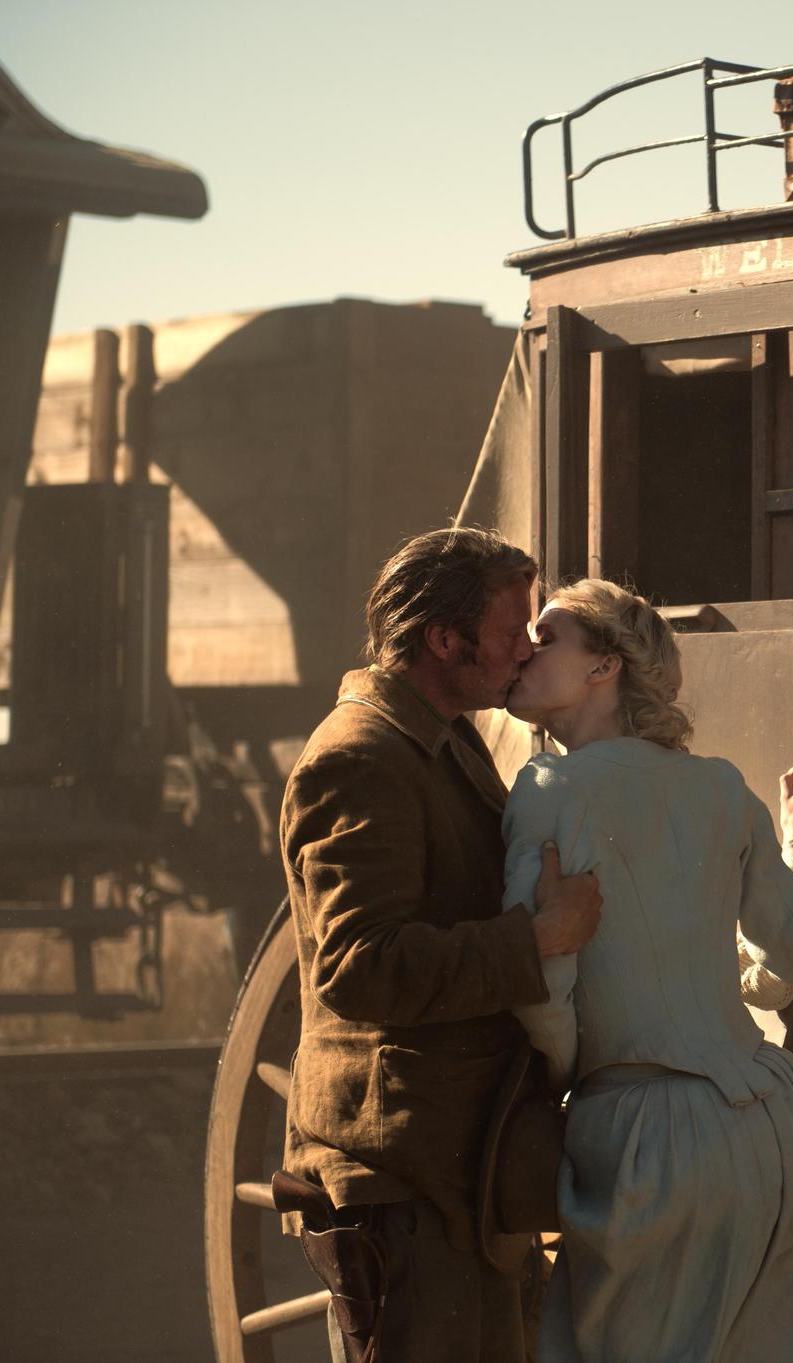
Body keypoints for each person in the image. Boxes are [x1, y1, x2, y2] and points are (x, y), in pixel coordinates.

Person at [501, 578, 793, 1363]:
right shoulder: (721, 786)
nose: (525, 646)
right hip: (785, 1130)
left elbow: (547, 993)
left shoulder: (548, 788)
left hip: (647, 1147)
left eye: (547, 635)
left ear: (604, 667)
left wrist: (555, 1088)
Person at [277, 527, 605, 1363]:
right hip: (402, 1175)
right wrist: (532, 940)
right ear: (444, 639)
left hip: (455, 1163)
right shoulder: (362, 757)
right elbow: (359, 967)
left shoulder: (441, 735)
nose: (525, 648)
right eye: (508, 632)